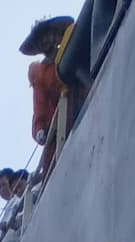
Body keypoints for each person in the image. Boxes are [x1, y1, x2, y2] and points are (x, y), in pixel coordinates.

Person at [23, 18, 77, 149]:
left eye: (46, 34)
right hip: (64, 124)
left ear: (54, 35)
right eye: (39, 39)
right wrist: (40, 129)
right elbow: (39, 104)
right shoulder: (40, 72)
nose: (44, 40)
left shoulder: (71, 48)